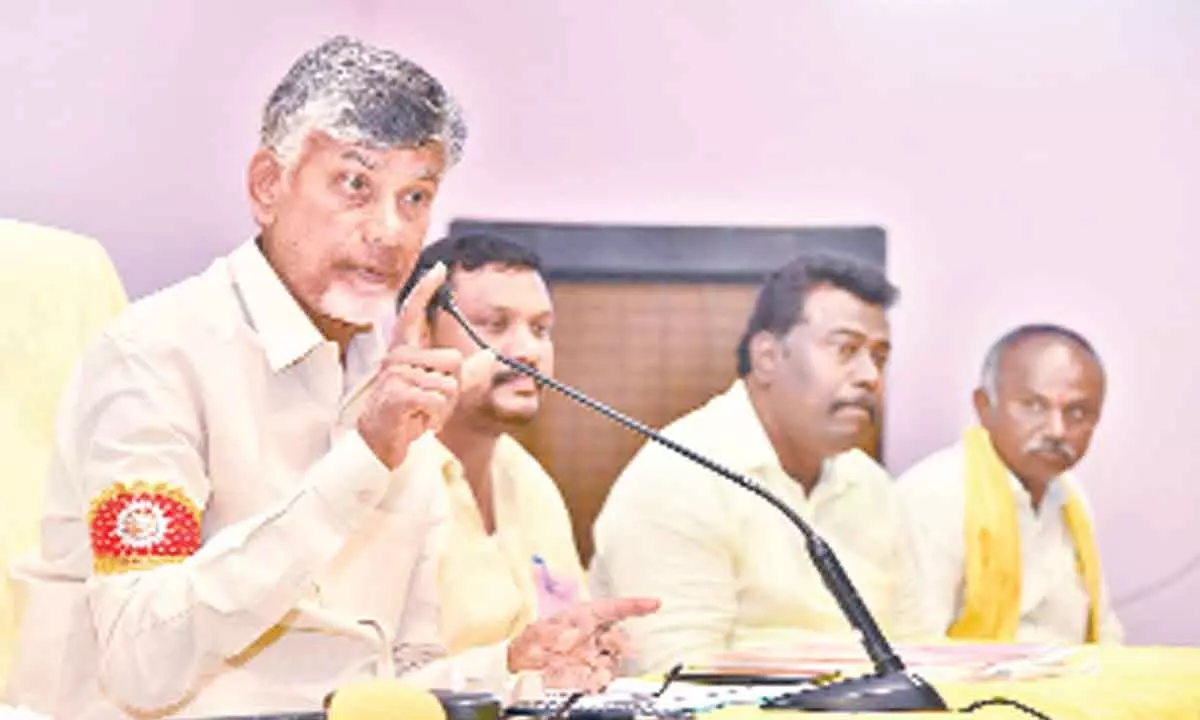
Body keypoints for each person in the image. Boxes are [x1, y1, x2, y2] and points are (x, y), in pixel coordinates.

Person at [5, 36, 654, 719]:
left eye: (415, 197)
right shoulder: (154, 356)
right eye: (355, 185)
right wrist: (361, 461)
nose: (389, 230)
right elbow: (143, 663)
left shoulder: (394, 379)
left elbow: (395, 680)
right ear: (267, 186)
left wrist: (514, 669)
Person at [589, 253, 932, 674]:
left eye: (879, 357)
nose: (869, 377)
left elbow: (918, 654)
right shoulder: (682, 474)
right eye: (846, 349)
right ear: (768, 356)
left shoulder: (871, 485)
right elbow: (674, 678)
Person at [397, 234, 586, 655]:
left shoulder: (529, 480)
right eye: (495, 326)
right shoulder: (385, 481)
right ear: (422, 336)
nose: (528, 351)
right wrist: (514, 668)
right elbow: (375, 685)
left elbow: (564, 622)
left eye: (540, 329)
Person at [896, 324, 1123, 644]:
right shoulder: (936, 494)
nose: (1057, 430)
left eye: (1077, 412)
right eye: (1034, 405)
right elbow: (916, 647)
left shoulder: (1071, 499)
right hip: (974, 693)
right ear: (984, 407)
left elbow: (1104, 634)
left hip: (1072, 688)